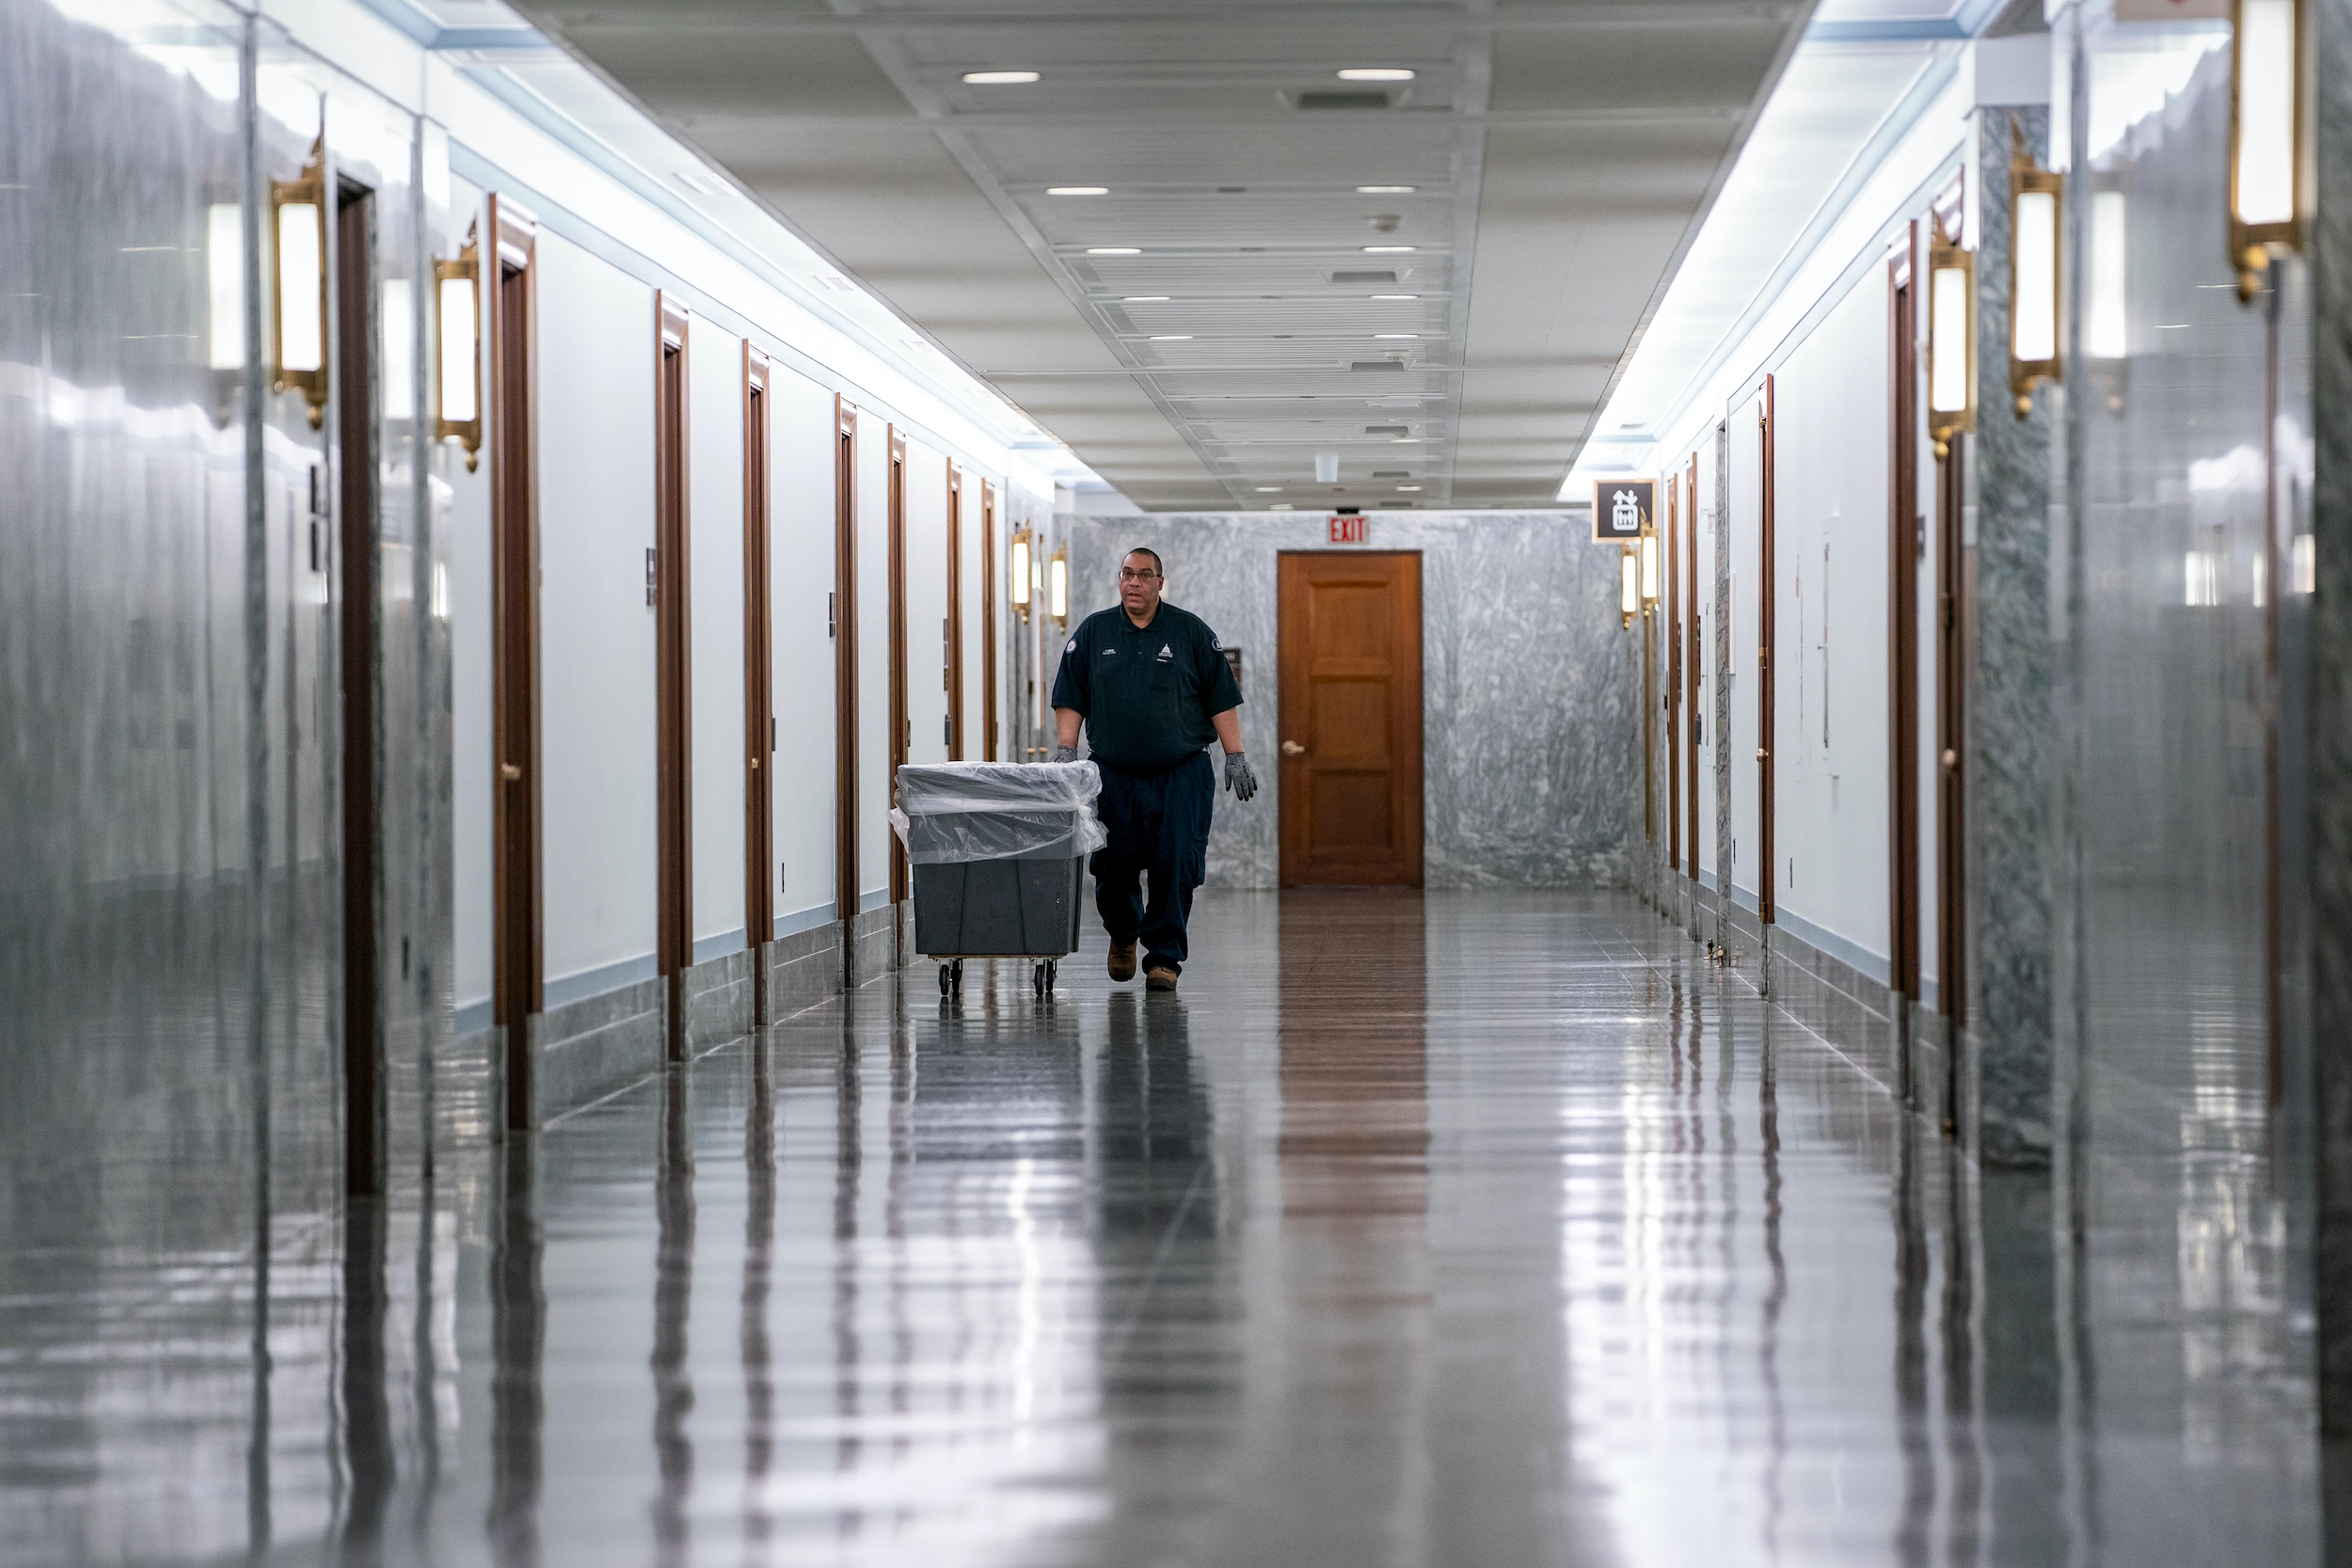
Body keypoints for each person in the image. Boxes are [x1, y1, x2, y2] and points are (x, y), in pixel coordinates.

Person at [1051, 547, 1255, 992]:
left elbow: (1221, 696)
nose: (1134, 583)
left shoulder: (1189, 632)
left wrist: (1234, 754)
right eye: (1127, 574)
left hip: (1181, 772)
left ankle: (1164, 958)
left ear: (1160, 583)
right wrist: (1066, 752)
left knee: (1177, 861)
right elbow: (1070, 694)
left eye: (1144, 575)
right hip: (1113, 774)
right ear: (1119, 579)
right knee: (1112, 863)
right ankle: (1124, 934)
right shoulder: (1095, 631)